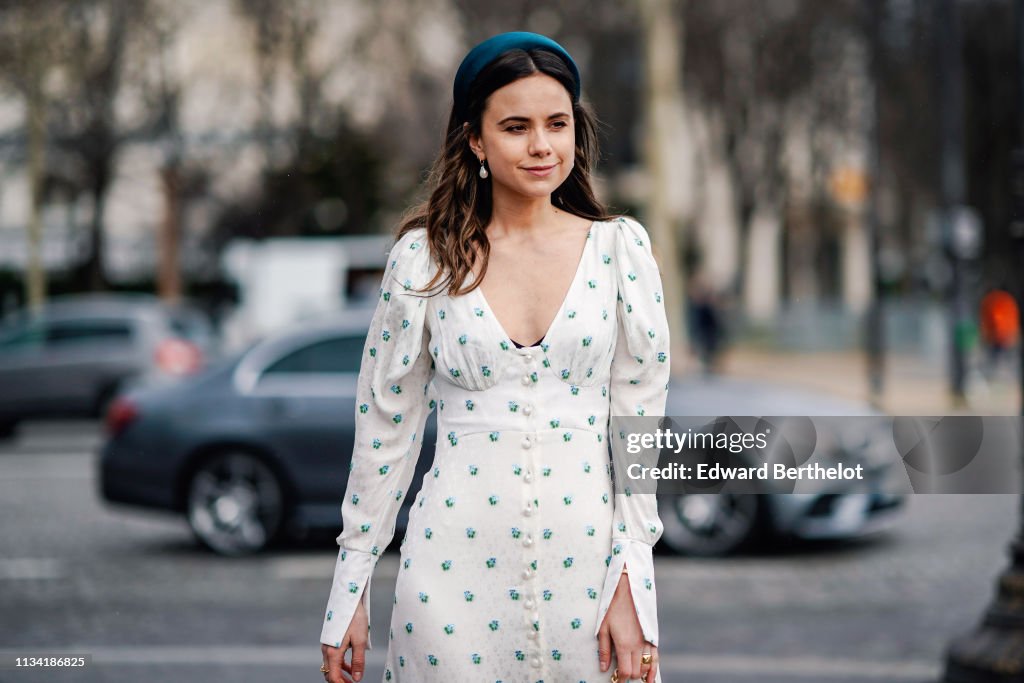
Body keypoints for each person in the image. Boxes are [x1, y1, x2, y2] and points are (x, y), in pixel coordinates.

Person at [319, 31, 669, 683]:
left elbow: (639, 431)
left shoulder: (621, 252)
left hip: (590, 572)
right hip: (452, 575)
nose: (541, 145)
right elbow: (383, 434)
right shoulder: (423, 261)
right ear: (475, 140)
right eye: (516, 126)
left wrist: (634, 583)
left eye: (556, 124)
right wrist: (351, 590)